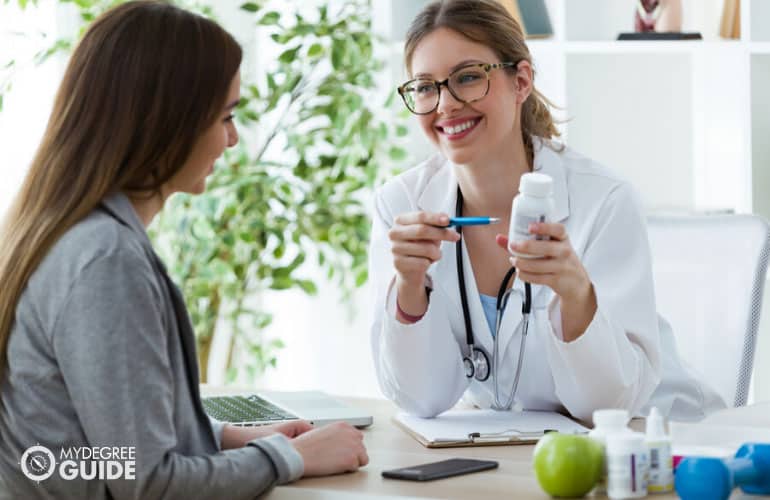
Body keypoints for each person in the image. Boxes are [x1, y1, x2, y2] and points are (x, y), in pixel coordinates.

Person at [0, 2, 367, 498]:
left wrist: (221, 437)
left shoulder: (68, 233)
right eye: (225, 116)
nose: (233, 139)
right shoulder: (105, 258)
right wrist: (290, 457)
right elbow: (146, 483)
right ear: (167, 122)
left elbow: (98, 446)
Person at [369, 0, 724, 422]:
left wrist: (575, 294)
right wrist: (410, 287)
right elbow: (421, 400)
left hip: (653, 440)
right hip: (518, 450)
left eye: (467, 78)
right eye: (426, 86)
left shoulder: (603, 201)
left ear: (521, 81)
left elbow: (608, 405)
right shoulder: (402, 206)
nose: (445, 104)